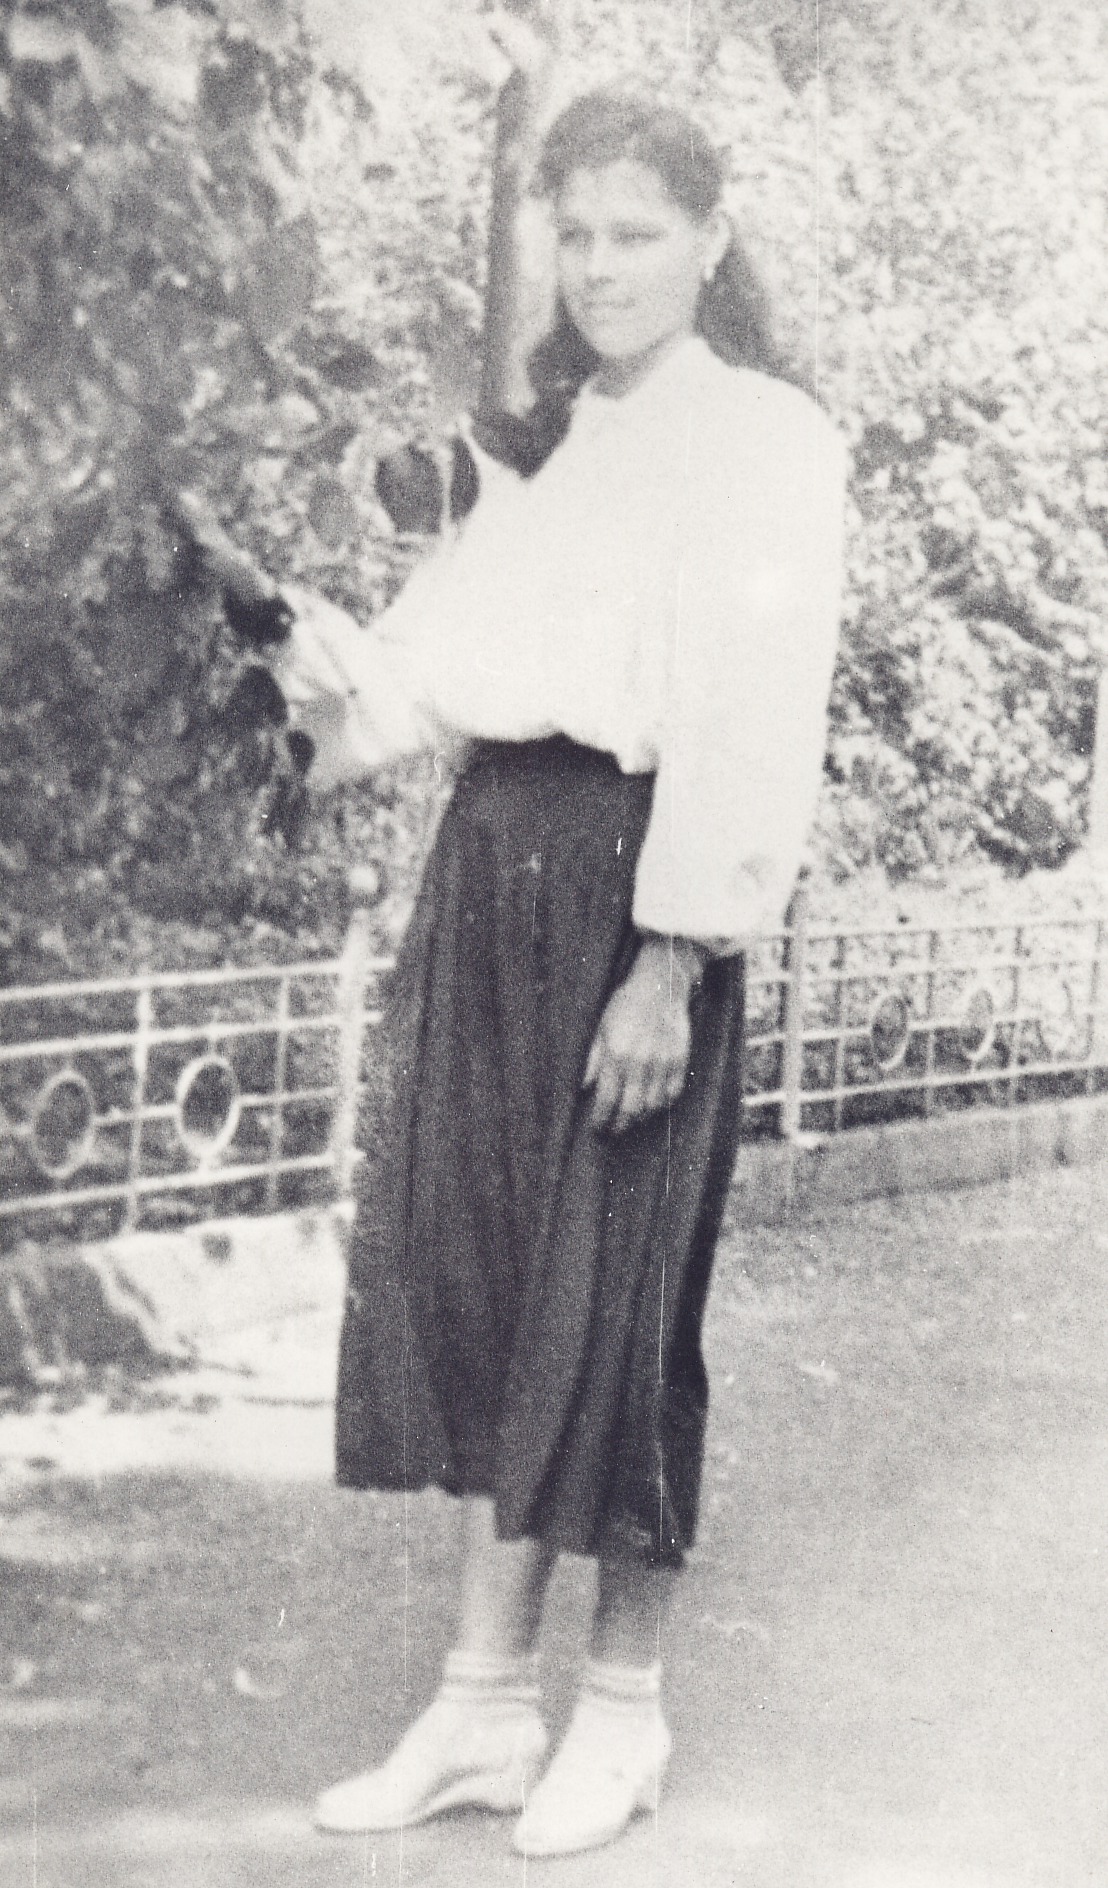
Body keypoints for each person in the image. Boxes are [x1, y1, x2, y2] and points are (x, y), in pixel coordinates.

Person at [283, 76, 847, 1860]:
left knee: (615, 1305)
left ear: (712, 240)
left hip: (635, 891)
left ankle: (622, 1712)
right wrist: (289, 659)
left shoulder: (762, 441)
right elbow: (431, 677)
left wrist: (671, 960)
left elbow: (751, 715)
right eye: (577, 235)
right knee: (488, 1282)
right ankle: (479, 1709)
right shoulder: (555, 441)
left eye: (637, 235)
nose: (599, 268)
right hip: (495, 868)